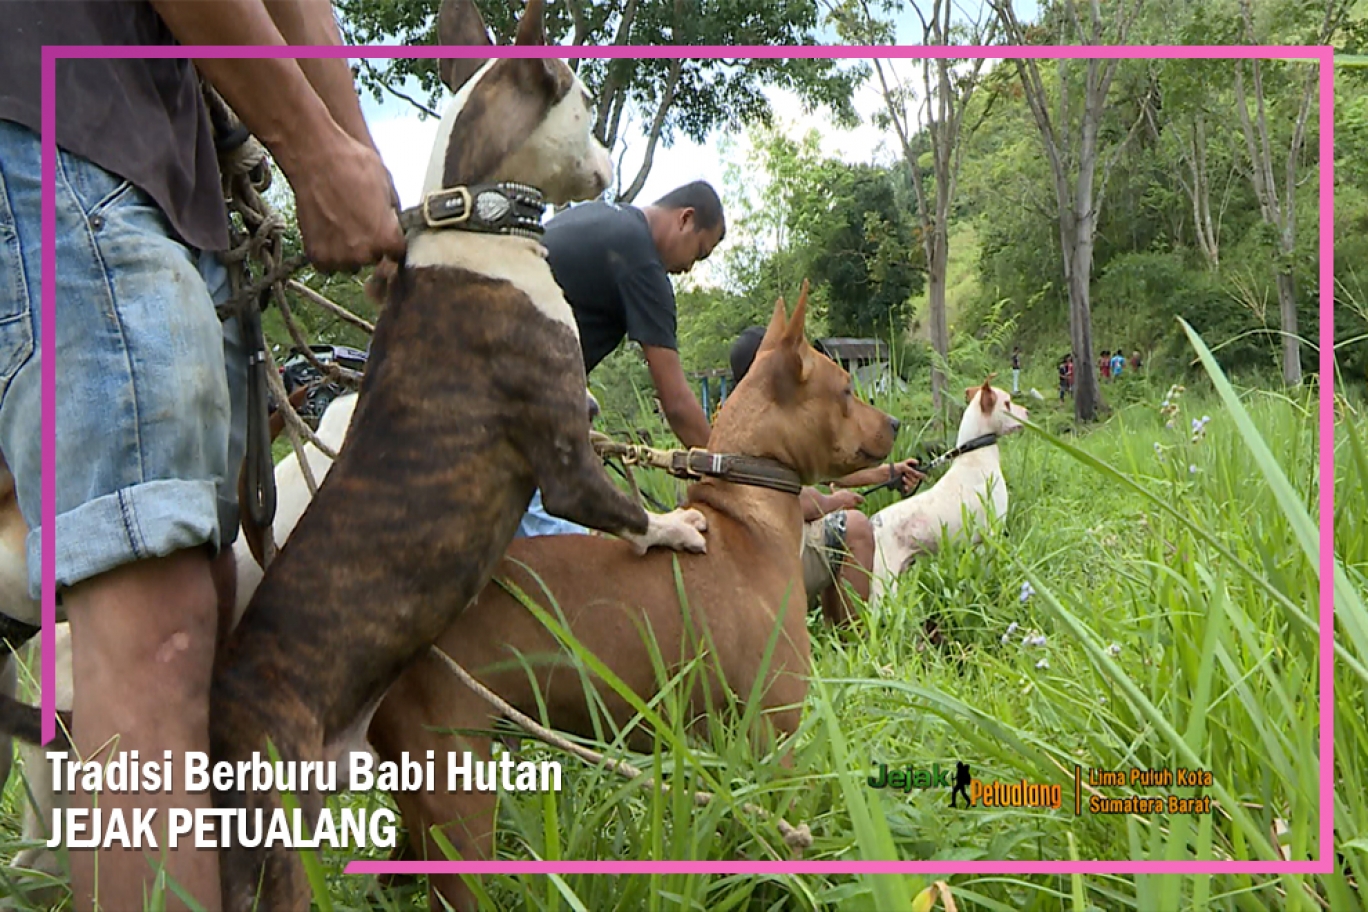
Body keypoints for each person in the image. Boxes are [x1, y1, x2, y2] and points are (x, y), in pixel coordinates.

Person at [0, 3, 405, 909]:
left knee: (207, 610)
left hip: (168, 176)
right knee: (161, 625)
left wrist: (356, 162)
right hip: (58, 129)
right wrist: (315, 149)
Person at [515, 181, 726, 537]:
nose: (690, 267)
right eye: (699, 252)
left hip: (486, 383)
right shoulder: (642, 263)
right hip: (512, 411)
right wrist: (726, 468)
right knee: (570, 564)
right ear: (686, 219)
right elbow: (676, 403)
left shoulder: (603, 215)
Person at [729, 327, 923, 626]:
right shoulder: (761, 430)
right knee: (854, 526)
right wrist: (834, 502)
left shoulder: (728, 424)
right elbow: (791, 500)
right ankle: (852, 643)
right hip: (759, 565)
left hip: (740, 566)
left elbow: (820, 470)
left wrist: (887, 473)